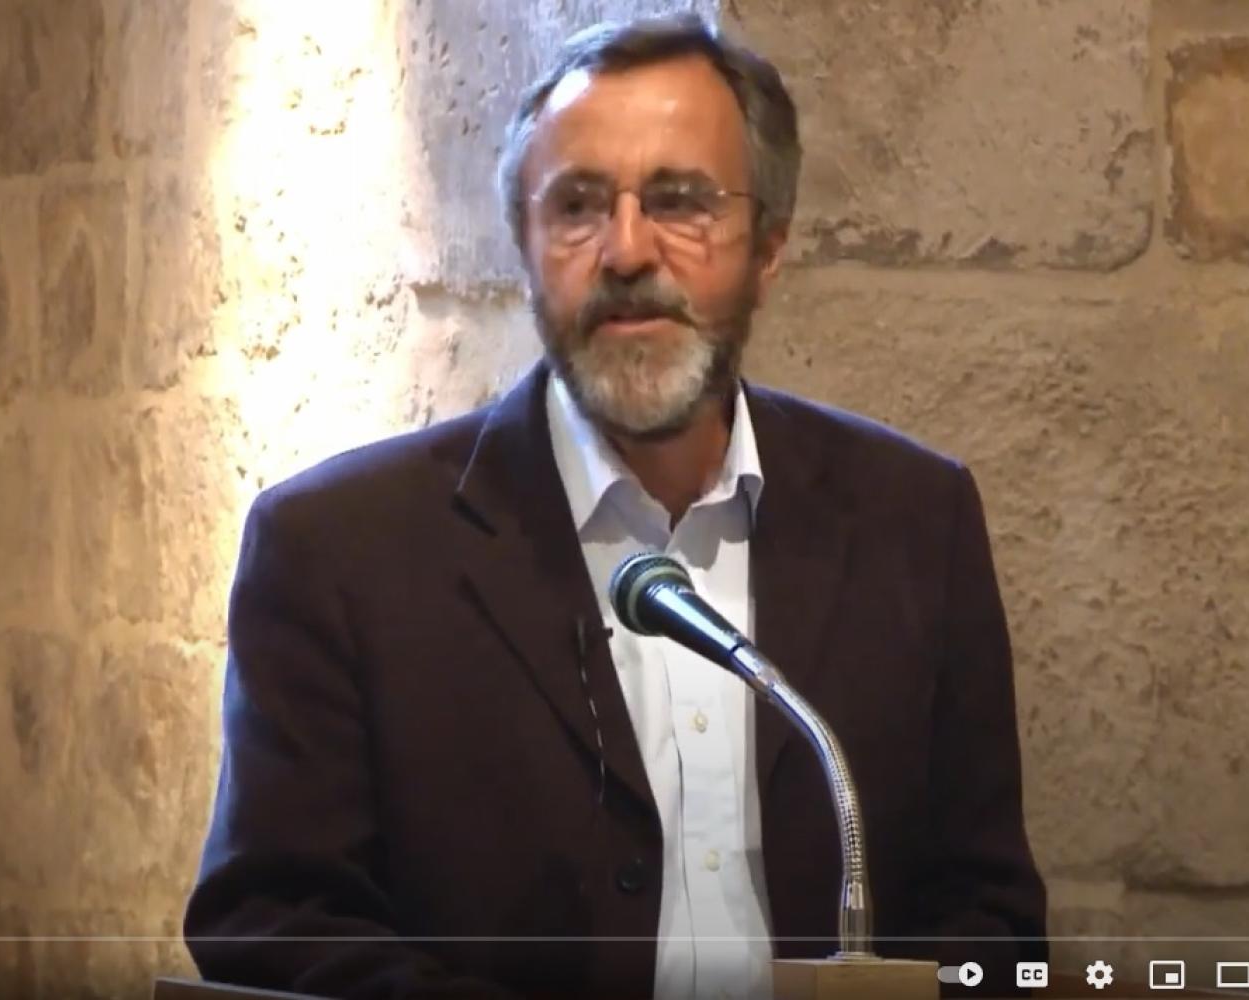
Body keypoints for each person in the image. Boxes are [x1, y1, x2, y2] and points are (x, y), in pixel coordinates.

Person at [184, 13, 1047, 1000]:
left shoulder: (914, 522)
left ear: (769, 245)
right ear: (524, 245)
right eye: (579, 207)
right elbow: (270, 927)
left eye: (681, 202)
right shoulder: (339, 551)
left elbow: (995, 927)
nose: (627, 249)